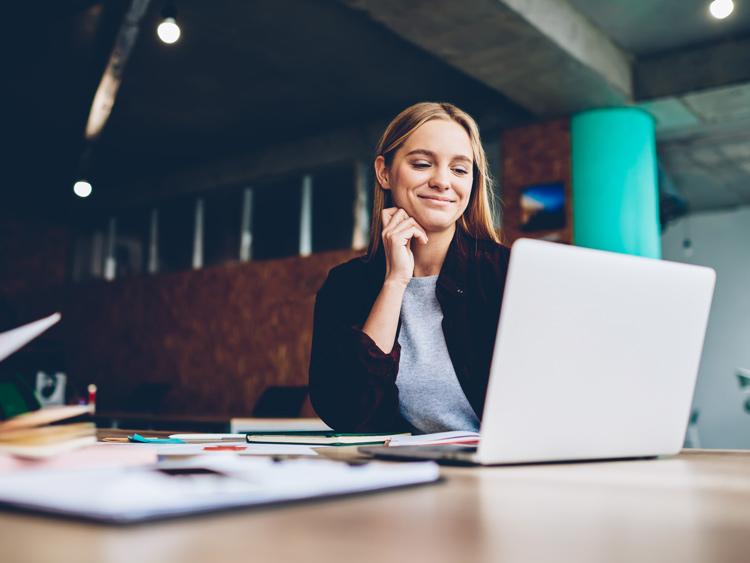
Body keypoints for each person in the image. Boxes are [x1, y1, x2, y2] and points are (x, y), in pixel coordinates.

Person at [309, 102, 511, 433]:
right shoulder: (347, 285)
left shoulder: (505, 274)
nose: (443, 181)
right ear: (384, 172)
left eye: (459, 169)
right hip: (403, 473)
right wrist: (395, 281)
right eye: (421, 164)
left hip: (505, 474)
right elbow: (348, 412)